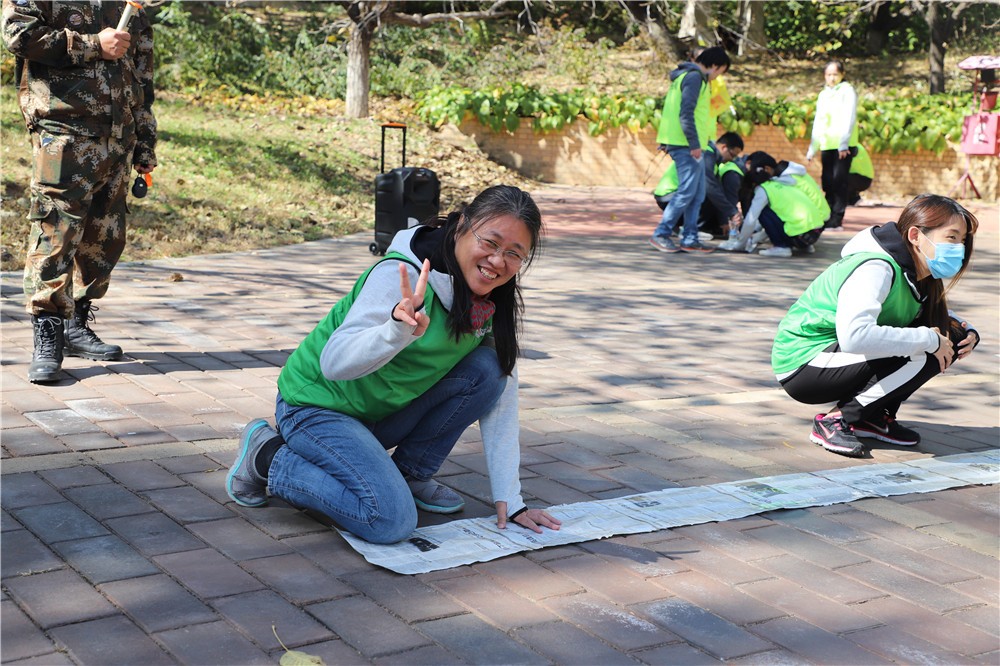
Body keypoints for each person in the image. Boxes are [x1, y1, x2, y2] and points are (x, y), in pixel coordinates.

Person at [226, 185, 562, 544]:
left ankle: (409, 474)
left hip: (379, 414)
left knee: (489, 368)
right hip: (316, 408)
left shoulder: (490, 294)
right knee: (390, 520)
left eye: (514, 253)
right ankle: (267, 456)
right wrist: (395, 331)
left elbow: (501, 389)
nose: (498, 261)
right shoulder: (400, 275)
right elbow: (333, 364)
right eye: (490, 243)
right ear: (462, 224)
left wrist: (511, 501)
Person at [2, 0, 157, 384]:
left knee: (103, 238)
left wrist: (145, 140)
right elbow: (18, 33)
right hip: (63, 131)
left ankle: (76, 324)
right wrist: (92, 45)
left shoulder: (130, 4)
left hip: (118, 136)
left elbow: (142, 76)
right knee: (56, 231)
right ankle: (48, 332)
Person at [772, 194, 980, 457]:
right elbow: (854, 337)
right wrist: (929, 339)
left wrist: (968, 330)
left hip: (837, 358)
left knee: (951, 336)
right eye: (951, 237)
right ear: (916, 236)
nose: (959, 247)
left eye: (962, 240)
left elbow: (931, 316)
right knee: (923, 347)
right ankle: (837, 420)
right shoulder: (876, 267)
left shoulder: (920, 274)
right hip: (803, 362)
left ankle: (871, 416)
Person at [649, 46, 731, 254]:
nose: (718, 77)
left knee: (697, 193)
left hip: (691, 144)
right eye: (720, 72)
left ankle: (690, 237)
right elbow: (686, 113)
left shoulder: (691, 77)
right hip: (686, 144)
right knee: (687, 191)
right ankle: (662, 233)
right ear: (714, 66)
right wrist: (694, 144)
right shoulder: (694, 78)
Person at [720, 151, 828, 257]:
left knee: (763, 211)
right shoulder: (783, 182)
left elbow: (751, 220)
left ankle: (781, 246)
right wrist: (754, 238)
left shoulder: (763, 190)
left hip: (801, 236)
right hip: (815, 233)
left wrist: (740, 244)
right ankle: (803, 246)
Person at [651, 131, 744, 238]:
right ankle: (693, 229)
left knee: (712, 194)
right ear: (724, 147)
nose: (731, 160)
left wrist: (724, 220)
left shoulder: (711, 157)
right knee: (709, 194)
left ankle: (683, 227)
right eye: (732, 155)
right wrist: (731, 212)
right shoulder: (707, 155)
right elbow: (711, 189)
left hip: (672, 195)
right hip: (670, 196)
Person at [805, 60, 858, 231]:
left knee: (839, 181)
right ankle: (828, 215)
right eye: (828, 74)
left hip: (844, 145)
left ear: (842, 74)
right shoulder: (824, 94)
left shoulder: (847, 91)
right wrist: (812, 148)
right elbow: (819, 122)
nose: (832, 78)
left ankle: (837, 218)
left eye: (835, 74)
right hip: (827, 144)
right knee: (827, 181)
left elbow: (849, 117)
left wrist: (843, 144)